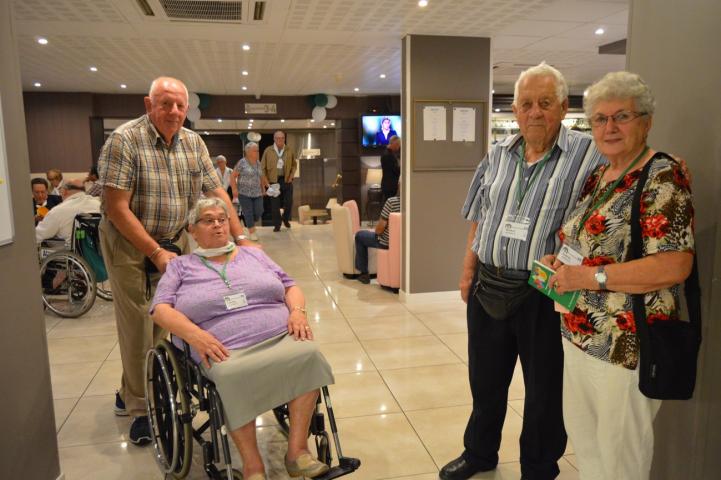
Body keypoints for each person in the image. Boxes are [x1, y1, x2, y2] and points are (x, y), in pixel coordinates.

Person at [442, 62, 605, 480]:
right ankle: (479, 453)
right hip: (488, 283)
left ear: (563, 108)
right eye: (527, 104)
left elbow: (599, 221)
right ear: (515, 110)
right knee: (485, 380)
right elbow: (479, 217)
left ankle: (539, 465)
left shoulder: (590, 155)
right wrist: (467, 271)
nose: (535, 112)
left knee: (544, 389)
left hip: (544, 291)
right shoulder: (497, 154)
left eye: (545, 103)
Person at [541, 71, 694, 480]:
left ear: (646, 121)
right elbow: (588, 241)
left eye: (621, 116)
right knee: (588, 447)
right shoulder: (600, 175)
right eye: (599, 119)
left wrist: (587, 278)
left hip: (625, 346)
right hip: (579, 334)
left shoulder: (662, 176)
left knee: (620, 458)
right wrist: (562, 264)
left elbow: (675, 264)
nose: (609, 127)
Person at [97, 76, 249, 446]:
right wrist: (154, 252)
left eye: (180, 105)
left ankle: (132, 390)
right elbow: (116, 208)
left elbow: (217, 192)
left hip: (175, 238)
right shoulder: (124, 140)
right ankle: (141, 409)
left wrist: (241, 238)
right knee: (138, 324)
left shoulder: (193, 143)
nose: (174, 111)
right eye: (166, 103)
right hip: (129, 241)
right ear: (149, 105)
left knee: (167, 319)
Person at [150, 198, 334, 480]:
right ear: (192, 230)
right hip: (223, 348)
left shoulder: (253, 254)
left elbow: (290, 285)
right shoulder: (180, 267)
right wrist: (196, 335)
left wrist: (298, 312)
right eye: (208, 220)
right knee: (233, 375)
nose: (218, 225)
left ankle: (297, 453)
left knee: (308, 354)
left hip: (279, 336)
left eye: (222, 219)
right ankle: (253, 467)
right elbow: (160, 309)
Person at [35, 178, 100, 246]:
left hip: (69, 250)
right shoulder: (98, 204)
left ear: (64, 191)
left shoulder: (58, 211)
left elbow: (37, 236)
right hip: (97, 250)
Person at [354, 194, 400, 284]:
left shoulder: (392, 201)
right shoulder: (415, 203)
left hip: (385, 243)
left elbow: (379, 230)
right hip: (403, 244)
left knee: (359, 235)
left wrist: (376, 231)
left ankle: (364, 274)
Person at [260, 130, 297, 232]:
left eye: (282, 138)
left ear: (284, 139)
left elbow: (294, 165)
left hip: (286, 180)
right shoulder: (268, 150)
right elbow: (262, 168)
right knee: (274, 205)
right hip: (273, 181)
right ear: (274, 139)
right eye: (278, 138)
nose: (280, 140)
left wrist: (291, 176)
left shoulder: (289, 150)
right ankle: (277, 224)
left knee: (289, 202)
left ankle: (285, 218)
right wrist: (266, 182)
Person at [231, 142, 263, 241]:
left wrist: (264, 188)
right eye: (255, 151)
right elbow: (233, 176)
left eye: (257, 150)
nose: (257, 152)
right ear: (248, 152)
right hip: (244, 193)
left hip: (257, 193)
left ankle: (251, 223)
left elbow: (261, 176)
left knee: (259, 211)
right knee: (248, 212)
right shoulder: (242, 162)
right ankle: (252, 231)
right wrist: (234, 189)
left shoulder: (258, 163)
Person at [380, 135, 401, 200]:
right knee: (390, 204)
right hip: (390, 186)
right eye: (398, 144)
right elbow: (396, 170)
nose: (398, 147)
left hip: (387, 185)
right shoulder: (388, 155)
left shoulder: (386, 153)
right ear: (394, 143)